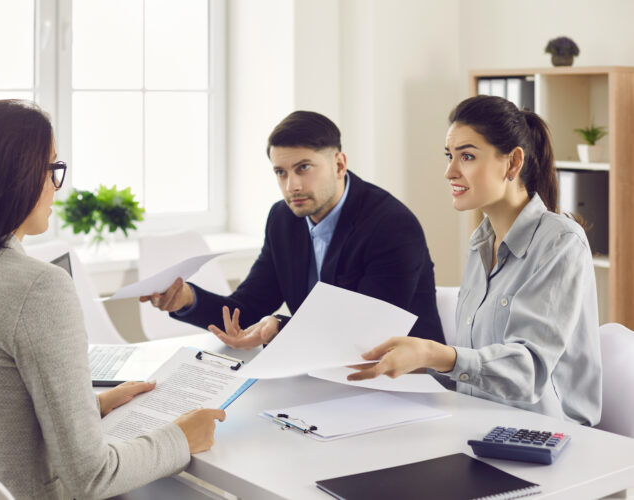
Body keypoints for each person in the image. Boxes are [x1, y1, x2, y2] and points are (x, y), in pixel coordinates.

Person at [0, 100, 225, 499]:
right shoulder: (36, 287)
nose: (55, 186)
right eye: (52, 169)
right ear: (14, 178)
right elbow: (92, 477)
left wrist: (90, 407)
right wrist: (181, 438)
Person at [349, 95, 602, 426]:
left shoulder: (561, 243)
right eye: (449, 156)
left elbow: (528, 370)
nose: (449, 172)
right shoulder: (481, 243)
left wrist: (432, 354)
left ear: (512, 163)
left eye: (466, 156)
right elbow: (473, 372)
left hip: (548, 438)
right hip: (480, 426)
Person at [142, 110, 444, 347]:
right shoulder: (283, 220)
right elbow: (245, 310)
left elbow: (370, 330)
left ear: (339, 165)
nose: (292, 186)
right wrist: (187, 299)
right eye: (280, 172)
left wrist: (280, 327)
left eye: (304, 168)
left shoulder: (390, 224)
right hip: (322, 373)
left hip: (405, 379)